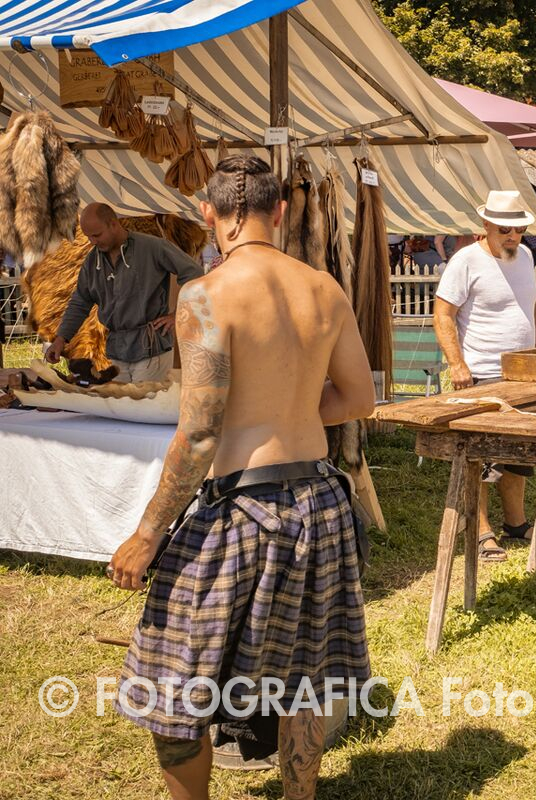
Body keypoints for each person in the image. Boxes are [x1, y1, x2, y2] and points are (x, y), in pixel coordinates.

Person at [105, 155, 375, 800]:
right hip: (320, 503)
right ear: (278, 212)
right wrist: (287, 407)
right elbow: (358, 399)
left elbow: (200, 433)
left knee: (171, 683)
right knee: (305, 675)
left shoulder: (205, 294)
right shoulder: (324, 289)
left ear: (209, 214)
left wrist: (147, 534)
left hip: (243, 508)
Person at [434, 190, 536, 562]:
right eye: (504, 230)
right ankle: (482, 531)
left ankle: (516, 522)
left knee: (518, 453)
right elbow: (443, 314)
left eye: (518, 230)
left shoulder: (525, 256)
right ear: (486, 225)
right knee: (481, 458)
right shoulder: (466, 261)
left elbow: (533, 306)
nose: (513, 237)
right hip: (481, 375)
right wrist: (456, 364)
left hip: (523, 375)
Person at [47, 203, 204, 382]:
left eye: (97, 235)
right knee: (118, 400)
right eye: (89, 236)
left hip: (151, 349)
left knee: (146, 400)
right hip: (117, 350)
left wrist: (179, 313)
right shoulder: (92, 261)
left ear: (113, 224)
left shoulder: (152, 247)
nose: (93, 242)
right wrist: (61, 339)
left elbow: (194, 273)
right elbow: (80, 301)